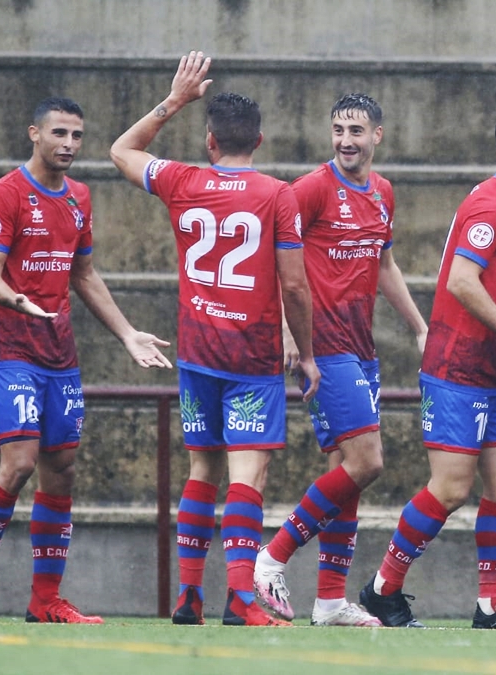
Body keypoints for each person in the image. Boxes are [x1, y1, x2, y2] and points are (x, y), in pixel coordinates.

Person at [109, 51, 320, 627]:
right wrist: (304, 352)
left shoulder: (183, 179)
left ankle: (188, 596)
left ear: (209, 140)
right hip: (251, 358)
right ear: (260, 139)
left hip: (197, 352)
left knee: (203, 471)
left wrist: (173, 101)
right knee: (247, 475)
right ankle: (242, 599)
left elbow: (121, 151)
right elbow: (296, 286)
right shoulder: (278, 195)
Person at [0, 96, 173, 624]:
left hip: (60, 355)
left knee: (63, 469)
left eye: (76, 136)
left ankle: (45, 599)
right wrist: (15, 299)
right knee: (20, 463)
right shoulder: (3, 195)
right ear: (35, 133)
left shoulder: (79, 197)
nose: (69, 145)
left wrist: (126, 335)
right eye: (59, 134)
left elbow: (84, 275)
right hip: (10, 349)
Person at [355, 102, 496, 629]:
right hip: (457, 367)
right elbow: (459, 281)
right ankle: (382, 589)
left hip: (494, 371)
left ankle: (490, 606)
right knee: (450, 489)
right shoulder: (492, 204)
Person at [251, 93, 427, 628]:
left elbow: (386, 264)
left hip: (361, 345)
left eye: (356, 130)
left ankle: (329, 602)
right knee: (367, 462)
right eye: (338, 130)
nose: (345, 140)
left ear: (378, 136)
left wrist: (420, 326)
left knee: (345, 474)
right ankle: (272, 557)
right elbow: (274, 259)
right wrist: (288, 331)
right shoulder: (310, 189)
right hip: (324, 345)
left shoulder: (383, 192)